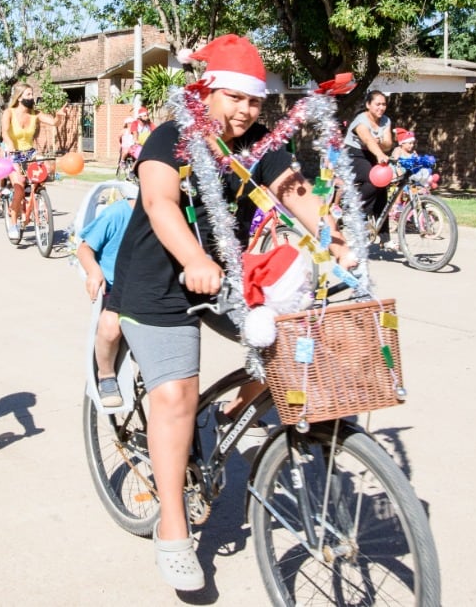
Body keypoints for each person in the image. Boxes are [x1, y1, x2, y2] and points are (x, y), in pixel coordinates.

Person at [106, 33, 359, 591]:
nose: (246, 111)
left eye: (255, 101)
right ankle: (173, 529)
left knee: (290, 346)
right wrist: (194, 257)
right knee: (173, 394)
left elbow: (296, 193)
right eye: (235, 98)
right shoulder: (172, 135)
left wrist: (336, 241)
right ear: (207, 91)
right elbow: (159, 203)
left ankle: (221, 418)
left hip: (228, 271)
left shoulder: (263, 142)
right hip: (160, 273)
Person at [76, 192, 137, 408]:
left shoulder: (170, 216)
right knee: (111, 327)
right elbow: (84, 248)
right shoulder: (118, 213)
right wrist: (94, 271)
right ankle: (106, 374)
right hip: (115, 286)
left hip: (147, 288)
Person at [0, 83, 64, 239]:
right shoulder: (9, 112)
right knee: (20, 185)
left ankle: (39, 201)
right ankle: (14, 224)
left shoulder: (35, 114)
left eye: (32, 94)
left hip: (29, 152)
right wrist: (10, 146)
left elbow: (54, 123)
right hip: (13, 152)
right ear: (19, 97)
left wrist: (59, 116)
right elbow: (4, 133)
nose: (31, 97)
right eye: (28, 94)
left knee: (45, 171)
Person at [346, 90, 394, 247]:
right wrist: (380, 153)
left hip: (373, 153)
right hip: (353, 154)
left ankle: (385, 237)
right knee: (373, 179)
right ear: (368, 105)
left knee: (383, 188)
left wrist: (380, 146)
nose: (381, 107)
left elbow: (388, 143)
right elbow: (367, 140)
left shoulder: (386, 121)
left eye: (383, 104)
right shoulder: (361, 120)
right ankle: (357, 211)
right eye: (377, 104)